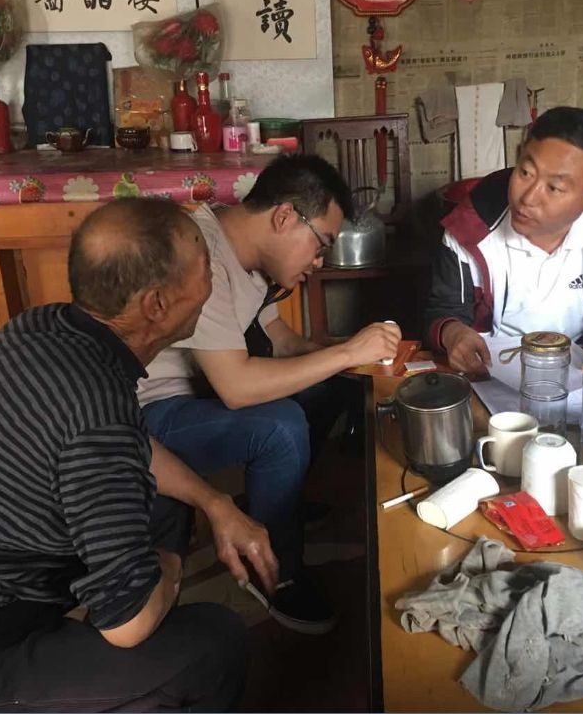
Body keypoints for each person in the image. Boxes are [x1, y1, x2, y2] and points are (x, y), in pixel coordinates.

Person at [0, 198, 280, 713]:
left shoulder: (48, 327)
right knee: (213, 644)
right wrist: (166, 569)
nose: (213, 281)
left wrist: (216, 503)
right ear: (157, 304)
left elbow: (130, 445)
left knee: (167, 505)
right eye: (206, 270)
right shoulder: (97, 407)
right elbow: (127, 624)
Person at [138, 154, 401, 635]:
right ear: (284, 217)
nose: (318, 262)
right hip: (147, 415)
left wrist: (347, 358)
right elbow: (237, 389)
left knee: (327, 386)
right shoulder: (199, 254)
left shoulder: (249, 256)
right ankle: (277, 572)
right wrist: (345, 353)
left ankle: (281, 504)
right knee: (279, 426)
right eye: (321, 244)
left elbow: (281, 342)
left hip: (196, 395)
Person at [425, 106, 583, 416]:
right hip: (490, 366)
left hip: (582, 362)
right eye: (525, 173)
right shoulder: (471, 221)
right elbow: (445, 308)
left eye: (554, 188)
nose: (527, 197)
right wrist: (454, 335)